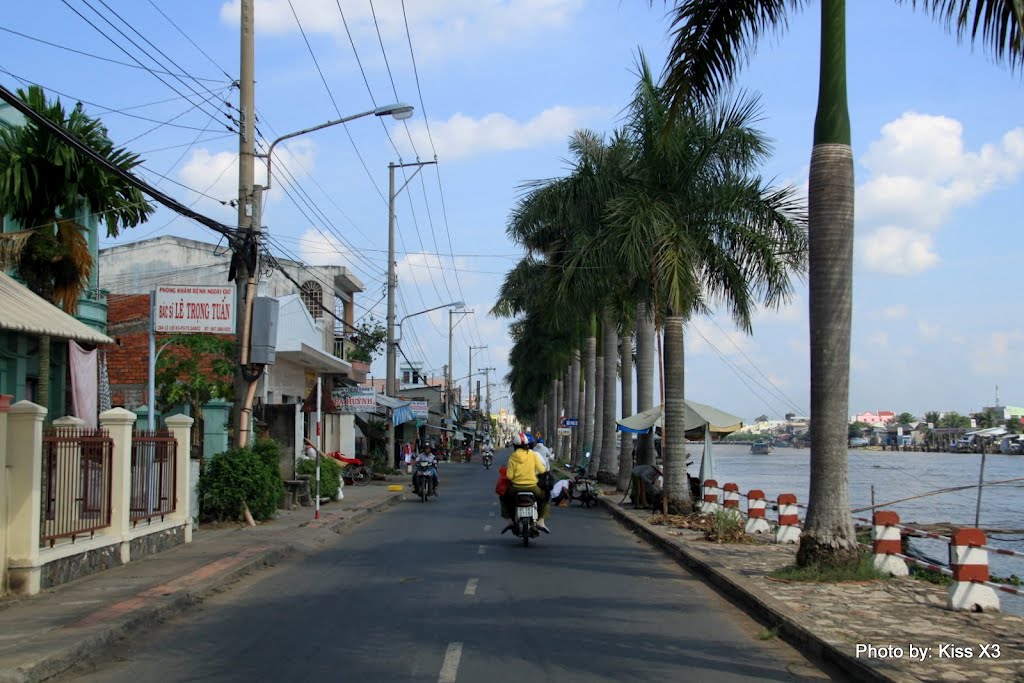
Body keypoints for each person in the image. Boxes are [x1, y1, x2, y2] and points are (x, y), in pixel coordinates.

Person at [501, 432, 550, 533]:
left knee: (504, 497)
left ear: (515, 445)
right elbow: (542, 470)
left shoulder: (512, 457)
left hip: (515, 488)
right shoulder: (533, 455)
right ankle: (541, 521)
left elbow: (509, 476)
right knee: (545, 497)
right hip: (533, 488)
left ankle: (510, 521)